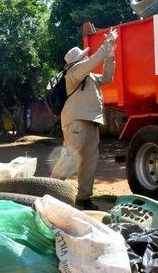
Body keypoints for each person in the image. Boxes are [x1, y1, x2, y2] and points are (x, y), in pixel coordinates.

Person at [50, 28, 118, 210]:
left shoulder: (88, 77)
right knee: (69, 157)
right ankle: (50, 192)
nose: (86, 58)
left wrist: (110, 56)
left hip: (91, 121)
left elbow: (108, 78)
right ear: (77, 60)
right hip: (77, 121)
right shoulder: (74, 72)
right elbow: (94, 60)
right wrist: (108, 43)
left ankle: (83, 198)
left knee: (89, 160)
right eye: (83, 56)